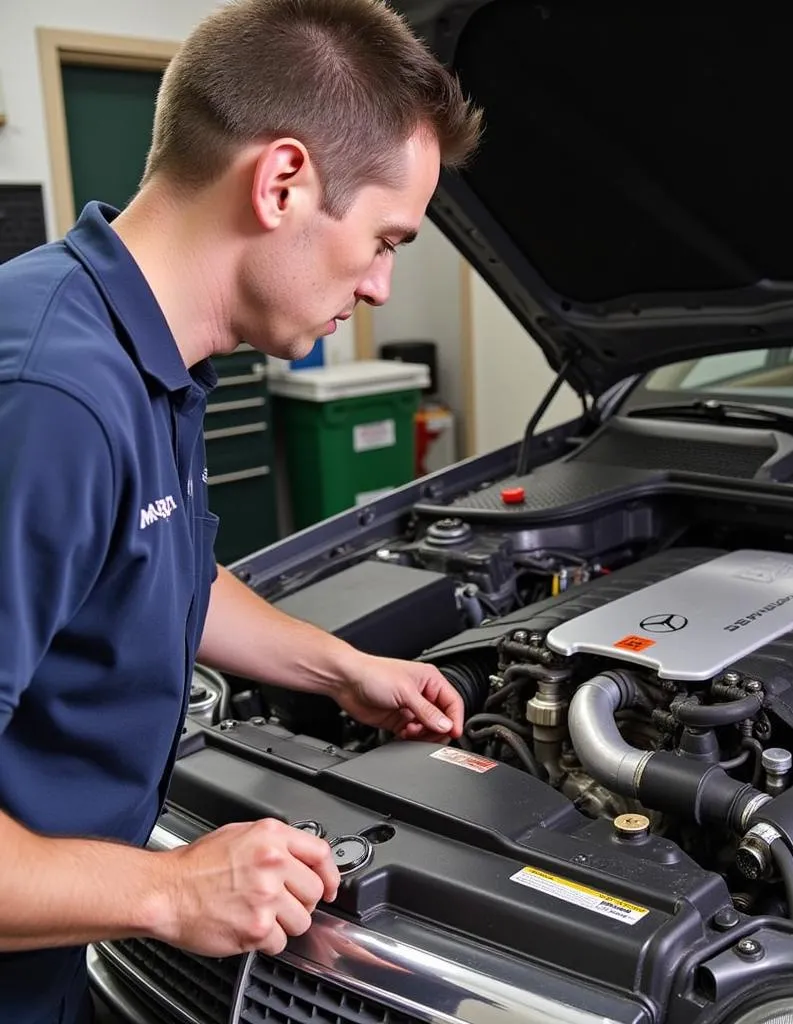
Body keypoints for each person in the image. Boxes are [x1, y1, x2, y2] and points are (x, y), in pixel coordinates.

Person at [0, 0, 482, 1020]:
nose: (386, 287)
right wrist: (174, 891)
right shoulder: (51, 403)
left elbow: (150, 567)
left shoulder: (143, 352)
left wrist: (339, 666)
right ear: (282, 182)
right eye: (386, 238)